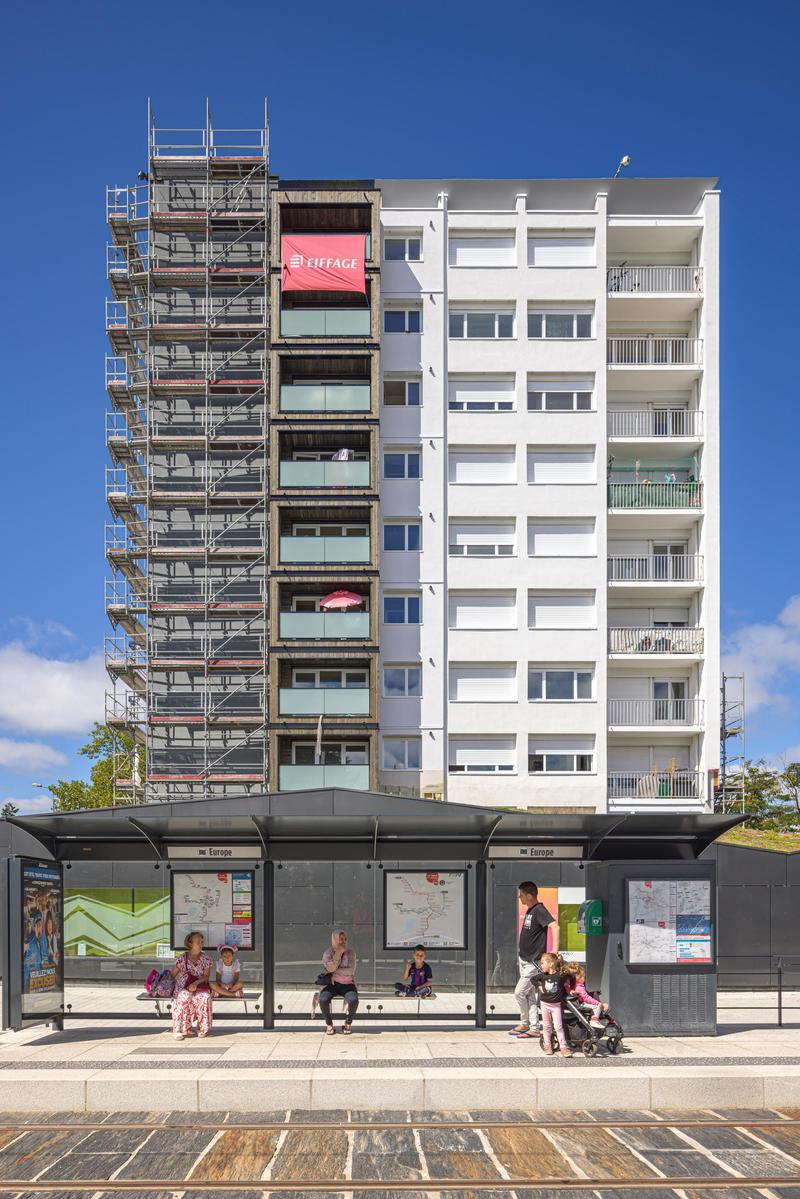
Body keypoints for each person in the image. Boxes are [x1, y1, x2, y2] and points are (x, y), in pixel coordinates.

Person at [510, 881, 559, 1039]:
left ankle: (527, 1024)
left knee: (519, 993)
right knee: (529, 995)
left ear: (529, 896)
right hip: (524, 959)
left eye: (521, 895)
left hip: (533, 962)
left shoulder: (539, 910)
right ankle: (532, 1026)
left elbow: (555, 927)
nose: (520, 897)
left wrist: (554, 954)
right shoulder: (531, 910)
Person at [170, 931, 214, 1041]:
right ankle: (178, 1030)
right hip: (183, 987)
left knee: (205, 997)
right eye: (198, 942)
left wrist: (196, 983)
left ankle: (201, 1028)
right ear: (190, 944)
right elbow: (172, 975)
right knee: (182, 997)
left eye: (202, 942)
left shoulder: (206, 959)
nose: (201, 944)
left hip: (199, 986)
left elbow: (206, 976)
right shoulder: (182, 959)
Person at [319, 929, 358, 1035]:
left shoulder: (350, 953)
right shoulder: (328, 953)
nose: (343, 942)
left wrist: (333, 971)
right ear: (335, 940)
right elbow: (330, 968)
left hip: (348, 984)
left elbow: (350, 971)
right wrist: (338, 954)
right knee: (323, 1000)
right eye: (340, 939)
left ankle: (348, 1023)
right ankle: (329, 1024)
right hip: (332, 984)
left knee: (353, 1000)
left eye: (345, 939)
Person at [535, 952, 572, 1058]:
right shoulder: (543, 976)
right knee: (546, 1026)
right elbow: (533, 979)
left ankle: (563, 1046)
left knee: (558, 1026)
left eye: (542, 963)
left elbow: (571, 977)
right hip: (544, 1004)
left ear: (551, 964)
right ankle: (547, 1045)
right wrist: (539, 986)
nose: (541, 965)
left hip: (556, 1005)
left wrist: (570, 990)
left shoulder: (560, 976)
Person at [565, 964, 609, 1029]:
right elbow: (586, 998)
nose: (584, 978)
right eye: (583, 977)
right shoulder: (579, 987)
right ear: (577, 977)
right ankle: (594, 1020)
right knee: (596, 1007)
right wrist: (597, 1003)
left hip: (576, 1004)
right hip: (581, 1004)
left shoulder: (569, 986)